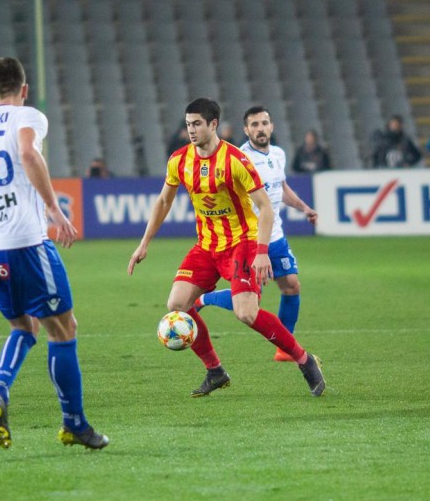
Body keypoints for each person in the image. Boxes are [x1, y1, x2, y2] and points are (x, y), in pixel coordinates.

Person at [0, 57, 109, 449]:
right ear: (24, 90)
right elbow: (29, 154)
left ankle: (0, 389)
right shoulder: (27, 115)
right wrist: (55, 210)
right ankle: (74, 425)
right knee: (64, 329)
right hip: (24, 243)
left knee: (24, 326)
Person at [127, 98, 325, 397]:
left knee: (246, 313)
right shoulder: (179, 160)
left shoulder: (235, 160)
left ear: (213, 124)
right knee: (176, 305)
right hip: (207, 246)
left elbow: (265, 209)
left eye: (196, 124)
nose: (190, 130)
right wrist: (144, 244)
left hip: (240, 244)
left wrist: (260, 253)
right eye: (188, 123)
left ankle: (303, 359)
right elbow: (164, 201)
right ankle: (215, 371)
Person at [193, 106, 318, 362]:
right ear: (246, 130)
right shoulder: (239, 157)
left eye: (264, 123)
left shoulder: (279, 155)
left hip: (276, 236)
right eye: (255, 125)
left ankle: (285, 348)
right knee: (250, 300)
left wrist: (304, 207)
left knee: (291, 285)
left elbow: (280, 188)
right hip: (250, 236)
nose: (260, 128)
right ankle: (204, 299)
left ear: (271, 126)